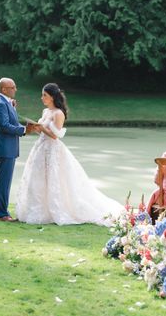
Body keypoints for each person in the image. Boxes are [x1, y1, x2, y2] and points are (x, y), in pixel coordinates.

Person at [15, 83, 122, 226]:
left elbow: (55, 135)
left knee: (55, 179)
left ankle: (57, 209)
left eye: (45, 95)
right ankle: (39, 211)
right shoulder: (45, 112)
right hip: (40, 148)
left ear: (52, 97)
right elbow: (43, 131)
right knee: (38, 179)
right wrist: (35, 128)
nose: (42, 98)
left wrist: (42, 128)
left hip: (52, 149)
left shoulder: (58, 113)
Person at [0, 77, 38, 221]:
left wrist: (13, 107)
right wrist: (24, 129)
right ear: (4, 89)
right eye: (13, 87)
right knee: (3, 182)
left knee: (5, 181)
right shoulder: (0, 104)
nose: (15, 89)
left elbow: (11, 121)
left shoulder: (7, 103)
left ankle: (3, 211)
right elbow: (5, 126)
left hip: (9, 148)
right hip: (5, 148)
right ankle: (2, 214)